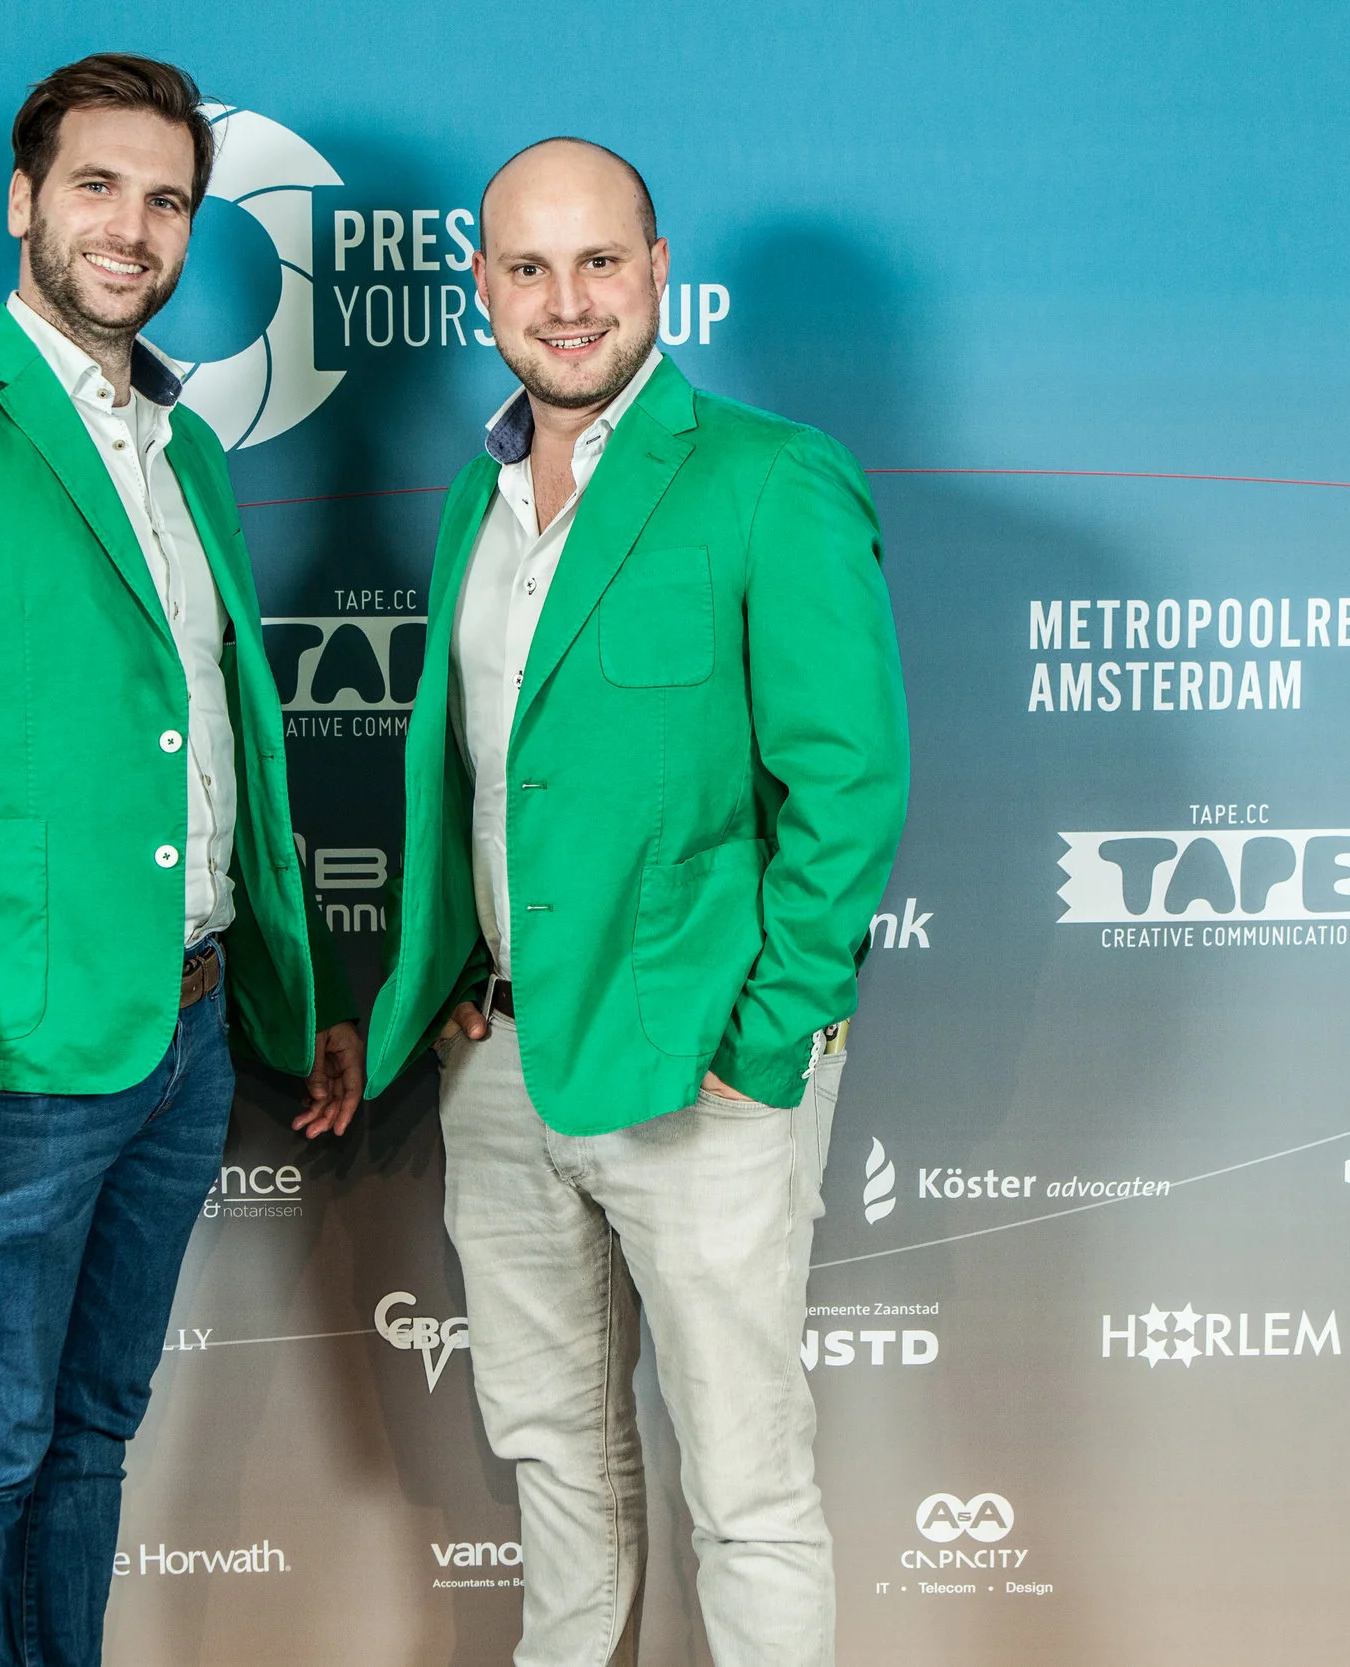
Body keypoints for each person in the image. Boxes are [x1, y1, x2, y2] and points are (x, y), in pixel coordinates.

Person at [0, 53, 362, 1666]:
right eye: (97, 186)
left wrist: (288, 988)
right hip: (11, 1052)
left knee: (91, 1433)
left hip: (184, 1031)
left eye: (167, 200)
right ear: (23, 201)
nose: (133, 227)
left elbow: (217, 741)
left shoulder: (186, 451)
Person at [363, 137, 909, 1667]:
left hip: (700, 1063)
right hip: (502, 1063)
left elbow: (849, 782)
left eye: (600, 261)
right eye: (530, 268)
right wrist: (451, 993)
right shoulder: (477, 502)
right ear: (483, 288)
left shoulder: (770, 476)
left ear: (659, 271)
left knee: (746, 1487)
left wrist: (769, 1035)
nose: (568, 301)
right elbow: (486, 776)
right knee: (554, 1461)